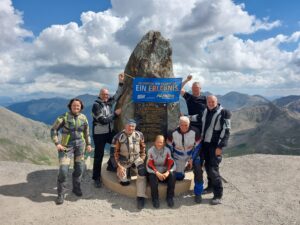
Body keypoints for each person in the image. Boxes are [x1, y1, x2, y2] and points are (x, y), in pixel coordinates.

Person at [51, 98, 92, 205]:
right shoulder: (63, 117)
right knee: (64, 171)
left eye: (78, 106)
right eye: (74, 105)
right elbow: (53, 129)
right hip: (66, 147)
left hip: (80, 146)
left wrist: (88, 144)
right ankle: (61, 194)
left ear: (81, 107)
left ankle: (76, 188)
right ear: (70, 106)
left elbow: (87, 132)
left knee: (79, 169)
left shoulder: (84, 118)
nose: (76, 107)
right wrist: (57, 143)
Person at [92, 72, 124, 188]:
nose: (106, 96)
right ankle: (96, 178)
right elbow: (103, 120)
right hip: (99, 134)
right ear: (100, 95)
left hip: (109, 132)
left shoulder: (108, 103)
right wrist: (115, 114)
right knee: (99, 155)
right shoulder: (96, 105)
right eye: (104, 94)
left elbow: (117, 95)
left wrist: (120, 82)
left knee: (119, 145)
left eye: (106, 94)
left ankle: (111, 165)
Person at [197, 95, 231, 205]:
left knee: (213, 169)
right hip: (205, 144)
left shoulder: (224, 113)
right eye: (209, 101)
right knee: (207, 166)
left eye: (213, 101)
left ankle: (218, 195)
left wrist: (220, 147)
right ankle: (210, 187)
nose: (210, 103)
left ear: (217, 101)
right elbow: (199, 119)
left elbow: (227, 131)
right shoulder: (206, 111)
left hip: (215, 146)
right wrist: (186, 117)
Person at [167, 116, 203, 203]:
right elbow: (169, 147)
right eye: (182, 125)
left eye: (186, 125)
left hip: (191, 155)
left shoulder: (195, 131)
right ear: (179, 124)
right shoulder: (172, 133)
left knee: (198, 170)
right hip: (178, 156)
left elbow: (198, 146)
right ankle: (182, 173)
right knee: (178, 177)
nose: (184, 127)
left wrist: (192, 159)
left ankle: (198, 193)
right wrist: (171, 159)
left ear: (189, 124)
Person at [114, 119, 147, 209]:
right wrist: (119, 166)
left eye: (132, 126)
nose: (130, 128)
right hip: (123, 162)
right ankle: (124, 171)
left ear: (135, 127)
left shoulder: (139, 135)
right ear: (125, 126)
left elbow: (143, 149)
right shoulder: (118, 136)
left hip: (136, 159)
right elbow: (114, 154)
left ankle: (141, 197)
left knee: (142, 172)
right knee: (125, 183)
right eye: (129, 125)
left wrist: (142, 159)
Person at [146, 135, 176, 208]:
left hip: (164, 172)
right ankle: (155, 199)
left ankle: (170, 197)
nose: (160, 144)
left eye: (161, 142)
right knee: (152, 178)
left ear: (164, 143)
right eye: (158, 142)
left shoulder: (167, 150)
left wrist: (168, 172)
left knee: (172, 175)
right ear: (155, 142)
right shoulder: (150, 151)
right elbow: (149, 165)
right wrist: (157, 173)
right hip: (155, 172)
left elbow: (171, 162)